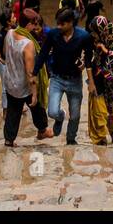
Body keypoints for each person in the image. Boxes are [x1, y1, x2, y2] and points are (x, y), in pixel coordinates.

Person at [35, 8, 92, 145]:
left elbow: (89, 56)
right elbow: (43, 54)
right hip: (57, 78)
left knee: (76, 115)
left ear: (71, 23)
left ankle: (71, 138)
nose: (59, 27)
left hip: (75, 80)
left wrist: (86, 68)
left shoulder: (83, 36)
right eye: (58, 23)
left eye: (62, 24)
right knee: (52, 111)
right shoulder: (54, 35)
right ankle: (60, 117)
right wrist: (34, 73)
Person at [1, 9, 51, 146]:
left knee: (13, 111)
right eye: (33, 24)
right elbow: (30, 73)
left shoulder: (10, 33)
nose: (35, 27)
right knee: (37, 106)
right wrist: (35, 93)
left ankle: (9, 139)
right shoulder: (28, 44)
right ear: (28, 24)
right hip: (23, 85)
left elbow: (5, 53)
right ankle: (42, 130)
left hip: (10, 81)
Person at [87, 15, 113, 145]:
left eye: (94, 31)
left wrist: (106, 52)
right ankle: (100, 137)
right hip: (98, 80)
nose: (93, 34)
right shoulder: (92, 40)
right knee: (98, 109)